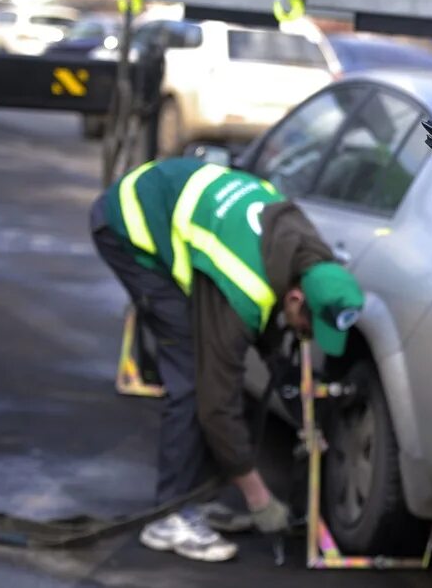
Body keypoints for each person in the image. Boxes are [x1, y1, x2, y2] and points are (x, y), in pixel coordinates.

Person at [90, 157, 364, 562]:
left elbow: (271, 332)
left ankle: (194, 497)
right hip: (128, 224)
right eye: (308, 326)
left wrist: (301, 405)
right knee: (192, 377)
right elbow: (216, 406)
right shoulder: (242, 284)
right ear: (295, 297)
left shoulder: (307, 252)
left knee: (209, 364)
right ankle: (170, 516)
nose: (308, 337)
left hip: (176, 202)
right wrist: (258, 498)